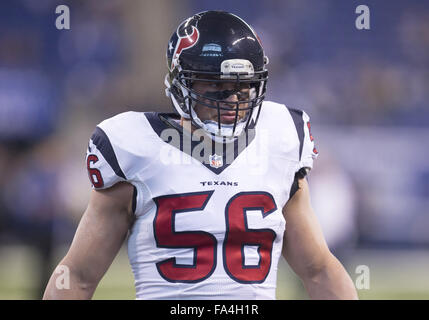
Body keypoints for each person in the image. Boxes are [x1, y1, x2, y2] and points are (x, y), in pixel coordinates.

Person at [43, 10, 358, 300]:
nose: (231, 99)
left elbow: (318, 269)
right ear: (182, 85)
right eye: (215, 86)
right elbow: (79, 275)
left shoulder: (281, 140)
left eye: (243, 86)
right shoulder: (134, 147)